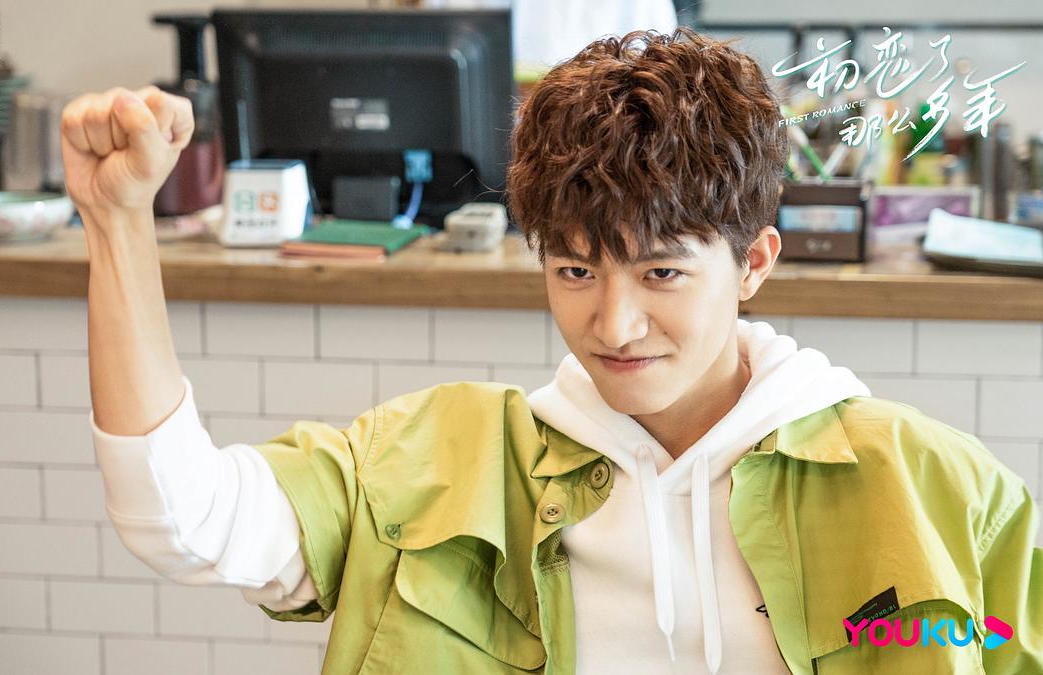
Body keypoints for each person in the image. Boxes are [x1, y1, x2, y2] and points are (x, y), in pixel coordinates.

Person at [64, 27, 1041, 675]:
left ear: (753, 263)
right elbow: (180, 516)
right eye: (575, 270)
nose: (613, 325)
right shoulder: (434, 467)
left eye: (661, 273)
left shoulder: (927, 488)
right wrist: (118, 225)